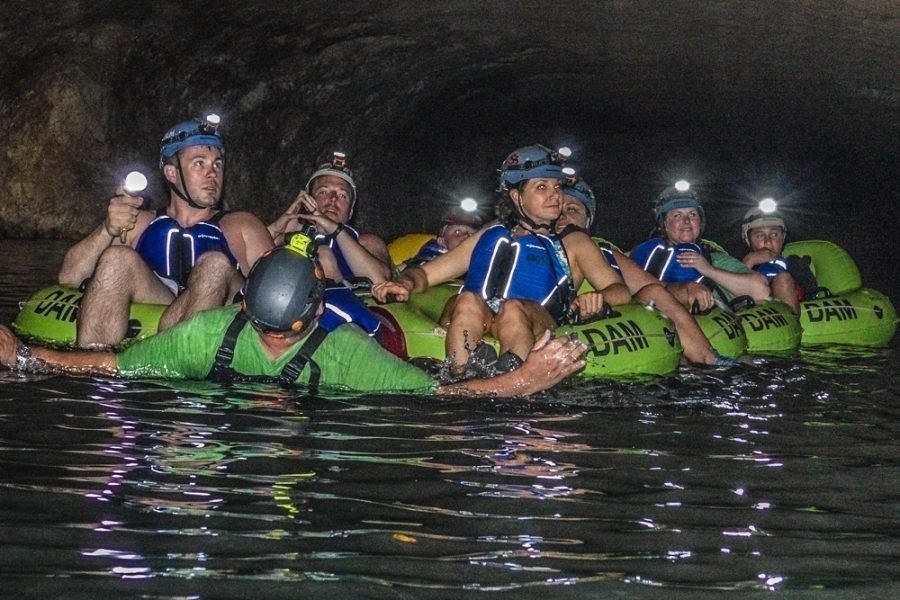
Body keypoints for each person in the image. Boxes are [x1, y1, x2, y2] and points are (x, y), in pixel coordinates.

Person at [2, 246, 588, 398]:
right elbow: (114, 365)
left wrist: (522, 382)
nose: (275, 339)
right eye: (267, 328)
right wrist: (25, 357)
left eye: (283, 331)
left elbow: (438, 397)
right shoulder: (214, 333)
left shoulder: (345, 349)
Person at [372, 144, 631, 376]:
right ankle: (462, 375)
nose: (556, 196)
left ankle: (515, 374)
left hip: (536, 322)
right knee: (466, 299)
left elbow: (620, 290)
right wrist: (404, 284)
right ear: (517, 196)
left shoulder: (574, 242)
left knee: (513, 308)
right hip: (477, 319)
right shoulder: (490, 236)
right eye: (541, 187)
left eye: (557, 187)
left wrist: (600, 298)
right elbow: (427, 275)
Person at [57, 115, 274, 349]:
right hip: (164, 303)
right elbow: (69, 277)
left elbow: (276, 295)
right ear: (172, 173)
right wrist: (107, 229)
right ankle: (91, 364)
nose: (213, 174)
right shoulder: (139, 222)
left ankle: (185, 362)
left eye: (217, 164)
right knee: (116, 257)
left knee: (215, 264)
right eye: (199, 163)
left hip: (222, 305)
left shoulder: (243, 225)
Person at [556, 174, 727, 365]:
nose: (562, 216)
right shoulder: (529, 246)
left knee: (654, 292)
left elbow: (657, 288)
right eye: (557, 208)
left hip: (608, 323)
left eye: (572, 209)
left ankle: (709, 359)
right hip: (561, 324)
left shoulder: (603, 252)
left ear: (588, 219)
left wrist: (688, 288)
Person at [268, 152, 389, 336]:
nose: (333, 200)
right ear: (308, 200)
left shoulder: (365, 242)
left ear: (350, 212)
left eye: (342, 196)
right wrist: (284, 222)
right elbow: (247, 264)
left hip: (346, 325)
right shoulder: (287, 235)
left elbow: (381, 281)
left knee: (322, 255)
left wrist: (335, 230)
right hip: (285, 317)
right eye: (324, 192)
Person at [630, 184, 770, 311]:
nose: (686, 221)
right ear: (664, 223)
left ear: (700, 222)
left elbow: (761, 290)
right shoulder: (644, 255)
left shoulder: (714, 256)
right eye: (677, 215)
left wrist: (708, 269)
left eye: (692, 214)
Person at [740, 204, 817, 314]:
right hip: (755, 323)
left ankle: (790, 326)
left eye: (774, 234)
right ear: (748, 239)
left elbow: (811, 291)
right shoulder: (736, 265)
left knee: (783, 279)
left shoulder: (795, 264)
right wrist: (748, 262)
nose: (768, 241)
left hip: (792, 323)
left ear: (783, 237)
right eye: (759, 235)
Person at [400, 207, 484, 269]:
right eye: (457, 232)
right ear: (441, 241)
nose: (466, 236)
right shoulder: (426, 259)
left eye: (472, 234)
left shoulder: (484, 262)